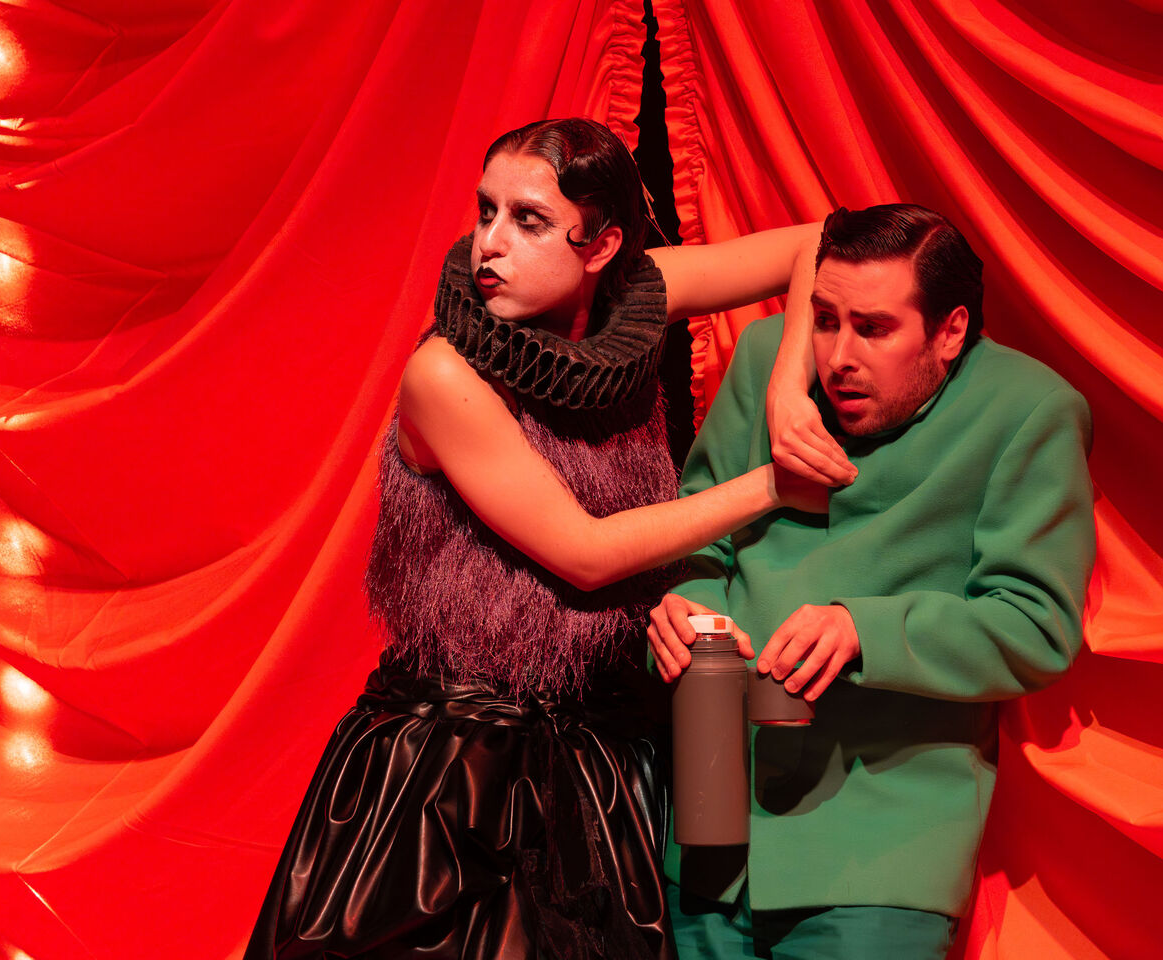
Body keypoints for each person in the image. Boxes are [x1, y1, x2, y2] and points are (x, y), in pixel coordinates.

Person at [245, 117, 827, 960]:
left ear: (602, 246)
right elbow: (585, 554)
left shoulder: (640, 298)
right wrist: (774, 484)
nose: (489, 243)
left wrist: (788, 392)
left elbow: (818, 243)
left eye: (528, 220)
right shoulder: (445, 374)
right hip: (449, 773)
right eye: (487, 211)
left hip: (598, 760)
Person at [647, 203, 1096, 960]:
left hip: (876, 854)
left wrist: (865, 630)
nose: (838, 356)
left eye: (874, 328)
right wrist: (687, 605)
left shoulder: (1029, 411)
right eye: (825, 320)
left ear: (950, 331)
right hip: (711, 829)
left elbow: (1035, 626)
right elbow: (700, 533)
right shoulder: (769, 363)